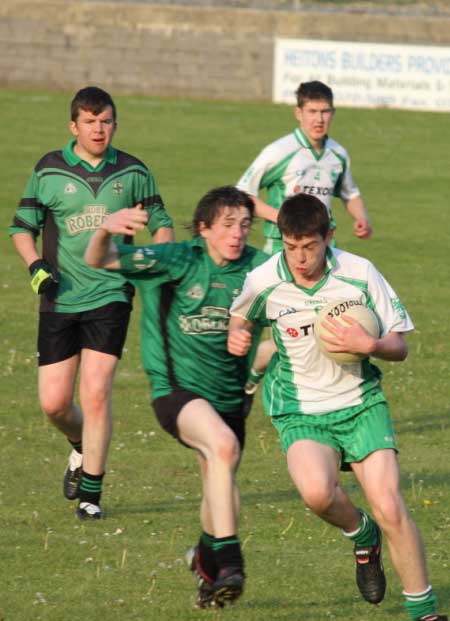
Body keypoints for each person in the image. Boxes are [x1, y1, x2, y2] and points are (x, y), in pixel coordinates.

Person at [227, 194, 447, 621]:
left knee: (390, 507)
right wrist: (238, 335)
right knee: (315, 494)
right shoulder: (265, 279)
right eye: (291, 247)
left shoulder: (359, 273)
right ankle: (361, 533)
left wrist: (371, 345)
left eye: (309, 246)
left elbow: (399, 345)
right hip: (301, 409)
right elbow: (242, 319)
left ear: (329, 236)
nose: (300, 258)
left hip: (361, 403)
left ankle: (424, 610)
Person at [85, 185, 268, 608]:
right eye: (227, 226)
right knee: (221, 449)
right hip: (176, 392)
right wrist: (104, 230)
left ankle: (205, 562)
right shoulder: (176, 259)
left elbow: (296, 311)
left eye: (244, 225)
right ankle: (229, 561)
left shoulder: (261, 268)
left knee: (221, 488)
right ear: (203, 229)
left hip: (230, 398)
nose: (238, 234)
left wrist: (256, 345)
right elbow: (101, 259)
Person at [9, 86, 174, 520]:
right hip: (60, 297)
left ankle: (92, 495)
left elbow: (162, 225)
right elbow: (21, 227)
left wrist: (157, 263)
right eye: (89, 121)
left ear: (114, 124)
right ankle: (80, 447)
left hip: (111, 295)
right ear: (73, 126)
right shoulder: (49, 170)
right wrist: (34, 267)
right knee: (54, 404)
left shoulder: (135, 172)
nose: (98, 129)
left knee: (97, 391)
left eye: (105, 121)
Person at [237, 80, 372, 256]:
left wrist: (362, 218)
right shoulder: (279, 151)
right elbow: (241, 194)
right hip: (283, 246)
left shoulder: (338, 154)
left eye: (325, 111)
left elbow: (350, 194)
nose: (319, 119)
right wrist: (282, 218)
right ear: (298, 113)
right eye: (312, 111)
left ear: (333, 113)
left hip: (324, 245)